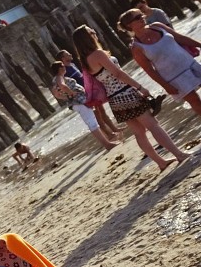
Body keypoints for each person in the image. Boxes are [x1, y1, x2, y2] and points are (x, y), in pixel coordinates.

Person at [73, 24, 190, 170]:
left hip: (115, 100)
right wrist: (140, 87)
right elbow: (118, 73)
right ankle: (179, 154)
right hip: (126, 93)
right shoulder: (98, 54)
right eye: (91, 32)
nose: (95, 32)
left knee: (139, 133)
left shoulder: (86, 61)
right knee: (153, 126)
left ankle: (160, 162)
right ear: (87, 38)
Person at [120, 9, 201, 117]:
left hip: (190, 65)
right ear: (129, 25)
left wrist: (200, 44)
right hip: (174, 77)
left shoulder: (157, 27)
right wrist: (166, 86)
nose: (142, 17)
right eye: (137, 17)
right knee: (195, 101)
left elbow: (180, 38)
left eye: (141, 15)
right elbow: (149, 70)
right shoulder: (137, 47)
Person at [49, 61, 117, 150]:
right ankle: (107, 144)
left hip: (77, 102)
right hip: (79, 102)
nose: (64, 67)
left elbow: (56, 94)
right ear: (59, 69)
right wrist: (72, 93)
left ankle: (107, 143)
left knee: (92, 122)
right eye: (62, 66)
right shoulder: (59, 78)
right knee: (92, 124)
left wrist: (66, 97)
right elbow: (62, 86)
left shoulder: (55, 80)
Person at [57, 49, 120, 141]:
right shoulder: (64, 71)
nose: (70, 54)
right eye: (67, 54)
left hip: (89, 90)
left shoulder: (73, 65)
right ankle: (109, 134)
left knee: (102, 110)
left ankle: (114, 129)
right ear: (63, 58)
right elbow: (64, 86)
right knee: (97, 114)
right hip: (83, 95)